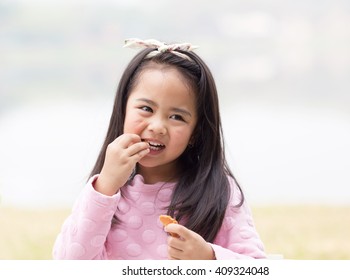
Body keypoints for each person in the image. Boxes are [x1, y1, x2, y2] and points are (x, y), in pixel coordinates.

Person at [52, 38, 266, 260]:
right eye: (146, 108)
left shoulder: (220, 192)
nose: (157, 127)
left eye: (177, 116)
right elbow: (68, 264)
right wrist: (105, 186)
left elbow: (257, 268)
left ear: (195, 132)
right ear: (123, 110)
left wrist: (208, 258)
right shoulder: (103, 191)